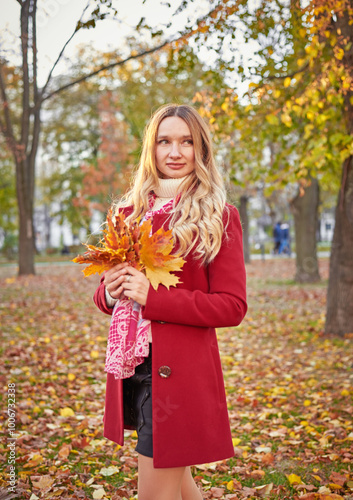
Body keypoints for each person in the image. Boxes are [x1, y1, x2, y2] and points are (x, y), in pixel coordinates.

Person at [93, 103, 247, 500]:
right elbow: (110, 291)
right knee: (179, 487)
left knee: (155, 493)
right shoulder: (128, 212)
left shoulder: (218, 216)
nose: (175, 152)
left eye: (186, 142)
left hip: (180, 378)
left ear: (201, 150)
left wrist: (154, 297)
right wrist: (110, 291)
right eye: (165, 141)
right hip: (131, 368)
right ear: (152, 148)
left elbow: (232, 306)